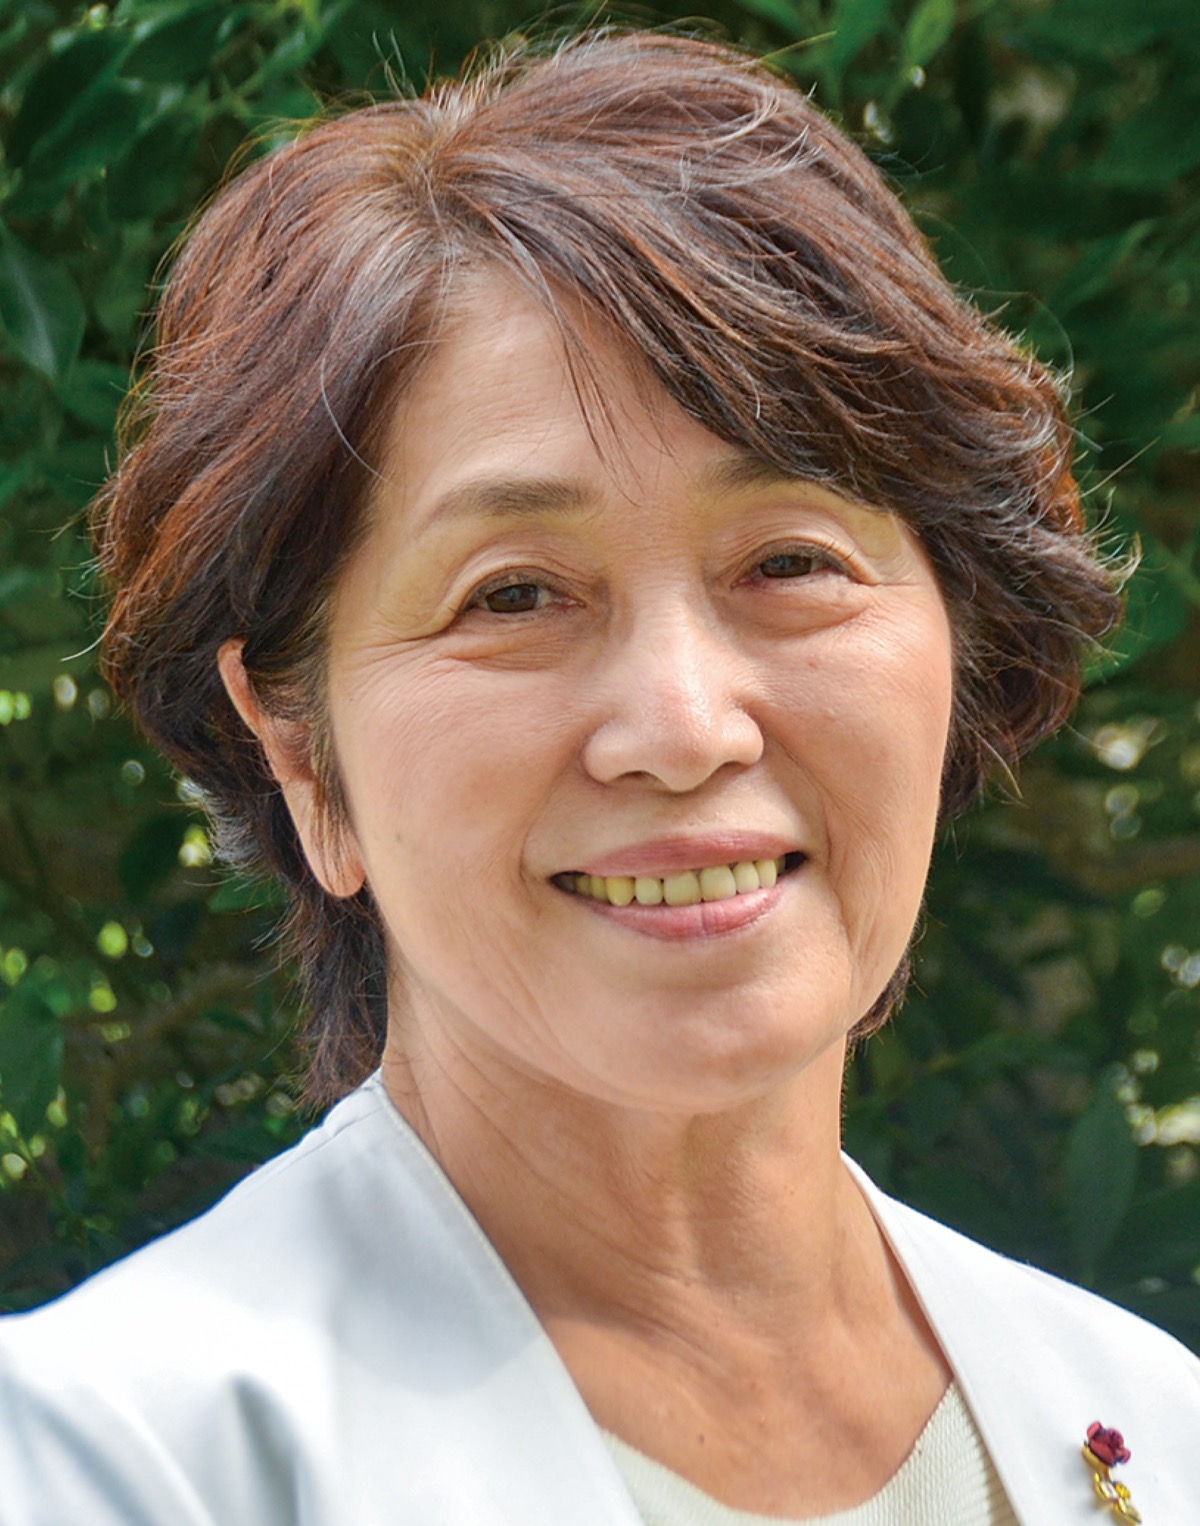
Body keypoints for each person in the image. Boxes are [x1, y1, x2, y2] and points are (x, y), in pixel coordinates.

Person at [0, 29, 1196, 1526]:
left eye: (790, 562)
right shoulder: (108, 1465)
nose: (685, 728)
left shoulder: (1157, 1431)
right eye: (513, 594)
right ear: (297, 748)